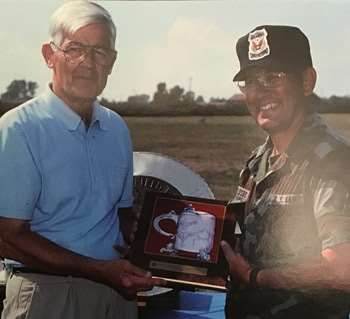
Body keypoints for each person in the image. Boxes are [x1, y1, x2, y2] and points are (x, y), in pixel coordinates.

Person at [0, 1, 163, 318]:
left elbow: (121, 214)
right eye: (74, 49)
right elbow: (9, 237)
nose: (87, 63)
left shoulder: (116, 127)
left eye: (100, 52)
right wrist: (102, 270)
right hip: (47, 295)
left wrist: (163, 245)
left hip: (117, 295)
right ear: (50, 56)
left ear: (112, 62)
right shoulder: (18, 129)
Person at [221, 25, 350, 318]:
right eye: (250, 81)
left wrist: (255, 277)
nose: (261, 90)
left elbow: (342, 269)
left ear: (307, 81)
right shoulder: (257, 162)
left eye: (273, 77)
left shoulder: (333, 163)